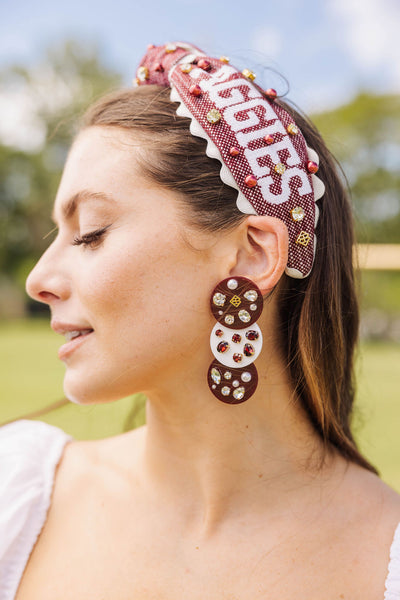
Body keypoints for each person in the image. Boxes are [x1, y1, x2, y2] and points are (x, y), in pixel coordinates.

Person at [1, 41, 400, 599]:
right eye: (58, 235)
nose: (38, 278)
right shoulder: (16, 495)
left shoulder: (386, 559)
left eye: (90, 232)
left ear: (252, 253)